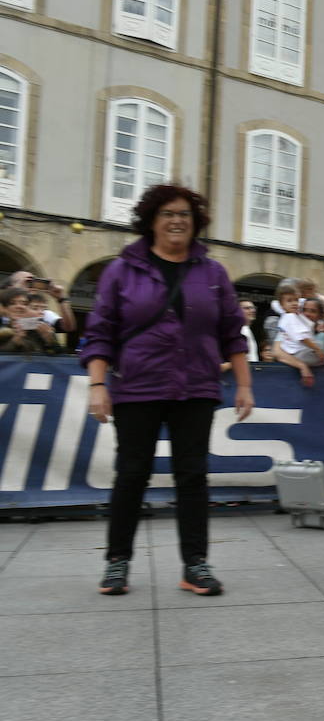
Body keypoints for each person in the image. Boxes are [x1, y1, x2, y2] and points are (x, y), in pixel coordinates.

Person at [81, 184, 253, 597]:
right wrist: (98, 385)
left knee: (192, 476)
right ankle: (117, 563)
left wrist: (244, 384)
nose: (177, 220)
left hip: (195, 386)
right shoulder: (123, 270)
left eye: (185, 215)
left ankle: (196, 565)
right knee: (132, 474)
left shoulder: (212, 273)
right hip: (137, 387)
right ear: (151, 221)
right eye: (167, 213)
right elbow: (100, 332)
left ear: (196, 223)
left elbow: (233, 333)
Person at [272, 287, 324, 386]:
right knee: (321, 348)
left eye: (296, 300)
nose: (295, 303)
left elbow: (278, 303)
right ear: (282, 305)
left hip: (293, 355)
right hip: (300, 354)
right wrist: (318, 350)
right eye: (289, 301)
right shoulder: (290, 317)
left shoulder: (287, 316)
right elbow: (302, 338)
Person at [8, 270, 76, 334]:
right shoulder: (4, 308)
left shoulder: (42, 313)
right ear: (11, 287)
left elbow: (68, 328)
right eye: (27, 282)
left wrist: (61, 298)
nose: (31, 286)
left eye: (33, 282)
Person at [0, 287, 59, 354]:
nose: (19, 306)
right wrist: (15, 341)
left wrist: (50, 341)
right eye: (12, 303)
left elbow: (61, 357)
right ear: (5, 308)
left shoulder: (42, 328)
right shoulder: (2, 331)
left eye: (24, 303)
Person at [222, 300, 259, 371]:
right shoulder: (240, 330)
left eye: (253, 308)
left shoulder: (246, 329)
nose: (252, 310)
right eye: (247, 308)